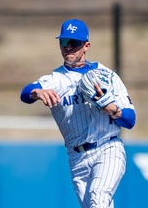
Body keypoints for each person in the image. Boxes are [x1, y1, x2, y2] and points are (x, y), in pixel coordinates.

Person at [20, 19, 136, 208]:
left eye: (74, 43)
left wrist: (112, 109)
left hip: (108, 148)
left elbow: (130, 120)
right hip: (76, 157)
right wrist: (37, 92)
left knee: (98, 199)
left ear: (86, 46)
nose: (68, 48)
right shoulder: (56, 79)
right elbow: (25, 93)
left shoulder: (106, 76)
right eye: (64, 42)